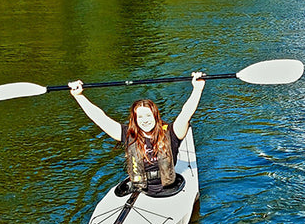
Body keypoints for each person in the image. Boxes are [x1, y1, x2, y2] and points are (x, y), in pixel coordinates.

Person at [68, 72, 205, 194]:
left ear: (156, 117)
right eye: (140, 117)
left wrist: (197, 89)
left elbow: (186, 113)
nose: (145, 120)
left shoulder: (172, 133)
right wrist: (79, 96)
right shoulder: (128, 135)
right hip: (140, 188)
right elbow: (100, 118)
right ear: (134, 120)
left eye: (148, 116)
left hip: (169, 188)